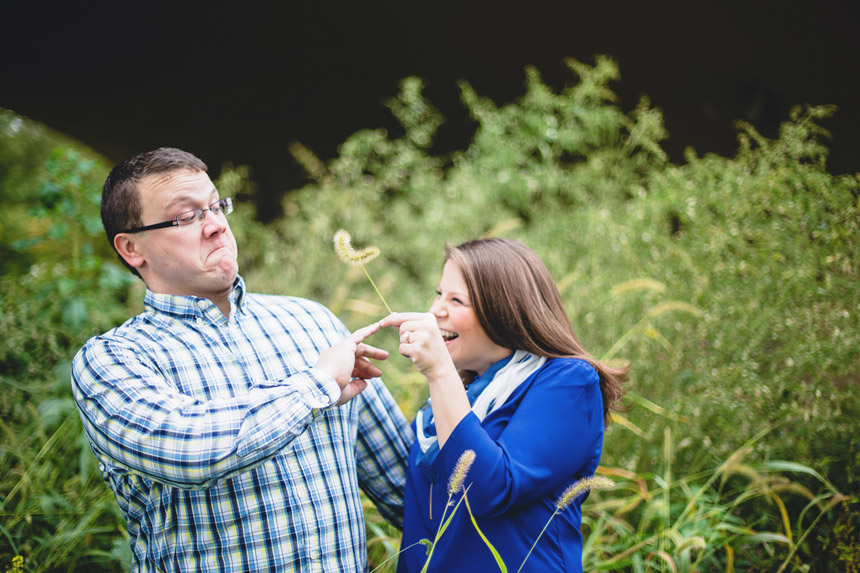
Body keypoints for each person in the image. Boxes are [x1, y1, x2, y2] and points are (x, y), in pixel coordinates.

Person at [71, 147, 413, 572]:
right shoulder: (112, 361)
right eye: (186, 216)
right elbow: (196, 450)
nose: (215, 225)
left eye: (215, 206)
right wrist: (317, 385)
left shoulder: (313, 322)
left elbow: (411, 492)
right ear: (131, 248)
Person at [379, 238, 628, 573]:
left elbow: (491, 489)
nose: (436, 310)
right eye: (439, 294)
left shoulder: (568, 382)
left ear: (503, 311)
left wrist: (439, 372)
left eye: (457, 300)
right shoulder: (449, 400)